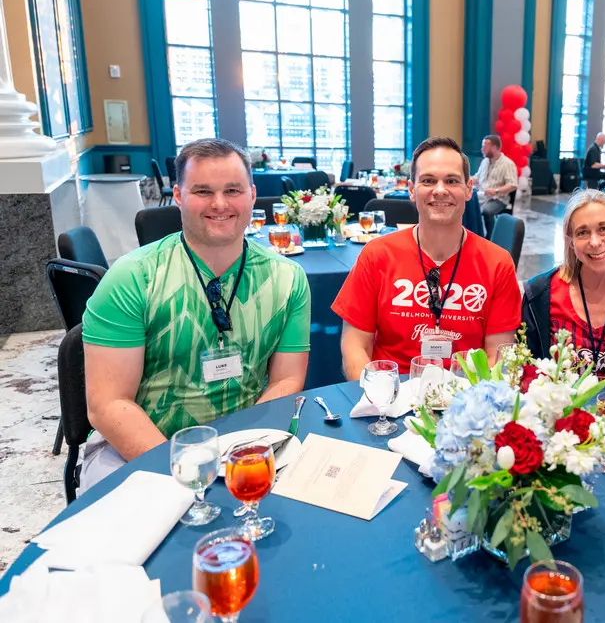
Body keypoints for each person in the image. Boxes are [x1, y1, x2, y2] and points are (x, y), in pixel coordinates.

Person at [81, 138, 311, 490]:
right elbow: (108, 405)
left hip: (244, 444)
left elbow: (286, 381)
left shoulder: (287, 278)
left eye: (232, 190)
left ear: (251, 194)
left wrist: (244, 457)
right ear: (177, 195)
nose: (220, 204)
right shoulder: (133, 278)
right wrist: (188, 472)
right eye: (203, 191)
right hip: (138, 449)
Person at [333, 136, 523, 379]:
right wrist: (379, 399)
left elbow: (497, 356)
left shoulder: (498, 263)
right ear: (412, 190)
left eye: (452, 180)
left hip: (464, 400)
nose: (440, 190)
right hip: (390, 397)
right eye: (428, 180)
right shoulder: (376, 255)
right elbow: (355, 347)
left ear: (468, 189)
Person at [523, 189, 605, 388]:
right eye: (582, 232)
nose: (595, 242)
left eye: (604, 228)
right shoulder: (540, 294)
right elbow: (527, 373)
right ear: (571, 242)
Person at [474, 134, 518, 238]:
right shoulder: (485, 161)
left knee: (487, 211)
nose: (482, 149)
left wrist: (496, 191)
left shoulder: (507, 164)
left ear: (494, 148)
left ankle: (491, 238)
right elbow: (477, 177)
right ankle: (475, 235)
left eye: (485, 146)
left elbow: (512, 185)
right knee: (466, 205)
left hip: (498, 198)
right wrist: (468, 180)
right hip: (482, 195)